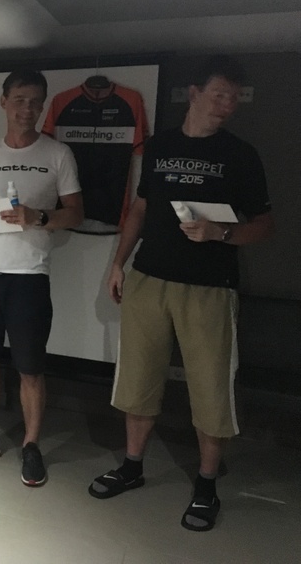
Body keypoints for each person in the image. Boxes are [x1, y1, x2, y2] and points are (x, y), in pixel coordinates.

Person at [88, 56, 274, 532]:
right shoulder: (160, 146)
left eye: (234, 98)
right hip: (149, 278)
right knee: (138, 380)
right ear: (194, 94)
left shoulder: (241, 154)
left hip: (210, 289)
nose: (227, 105)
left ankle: (207, 484)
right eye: (219, 95)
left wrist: (220, 233)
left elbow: (264, 225)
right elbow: (140, 208)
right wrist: (118, 263)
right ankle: (132, 466)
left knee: (211, 388)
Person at [0, 70, 84, 485]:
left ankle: (31, 445)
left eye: (35, 102)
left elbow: (76, 213)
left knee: (30, 368)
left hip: (29, 275)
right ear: (4, 102)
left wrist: (37, 216)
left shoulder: (57, 154)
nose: (28, 109)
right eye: (20, 100)